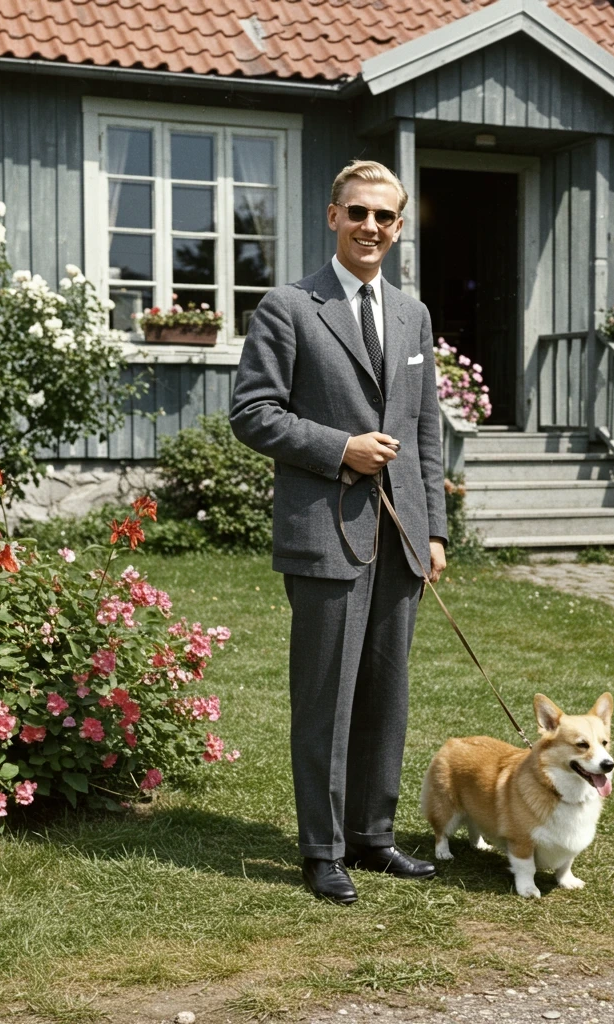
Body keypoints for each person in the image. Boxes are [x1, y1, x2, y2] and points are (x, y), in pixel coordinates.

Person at [230, 160, 447, 904]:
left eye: (386, 217)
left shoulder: (413, 316)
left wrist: (435, 532)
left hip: (402, 536)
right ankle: (322, 850)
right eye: (358, 213)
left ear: (399, 227)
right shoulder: (289, 307)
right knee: (327, 695)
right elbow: (253, 413)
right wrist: (340, 449)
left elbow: (426, 433)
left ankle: (373, 835)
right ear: (332, 217)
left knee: (387, 691)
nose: (371, 228)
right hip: (324, 529)